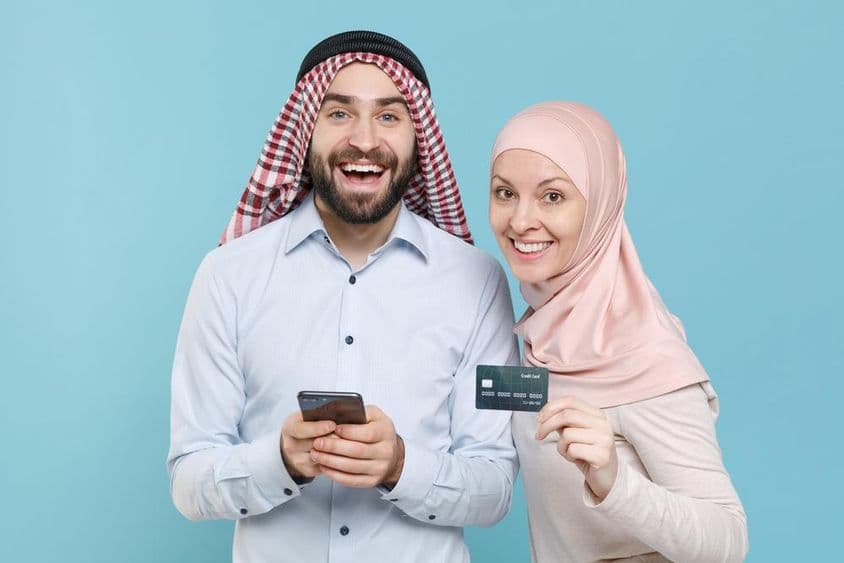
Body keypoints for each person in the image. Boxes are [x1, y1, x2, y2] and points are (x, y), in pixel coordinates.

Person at [167, 31, 519, 563]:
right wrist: (279, 461)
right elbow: (189, 480)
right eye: (338, 114)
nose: (363, 139)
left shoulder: (477, 281)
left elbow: (496, 486)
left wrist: (402, 466)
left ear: (417, 136)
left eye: (389, 116)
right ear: (304, 131)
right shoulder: (226, 277)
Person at [488, 102, 749, 562]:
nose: (521, 220)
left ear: (602, 205)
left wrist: (613, 479)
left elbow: (727, 541)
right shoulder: (539, 337)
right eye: (505, 193)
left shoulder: (645, 352)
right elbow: (487, 404)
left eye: (552, 196)